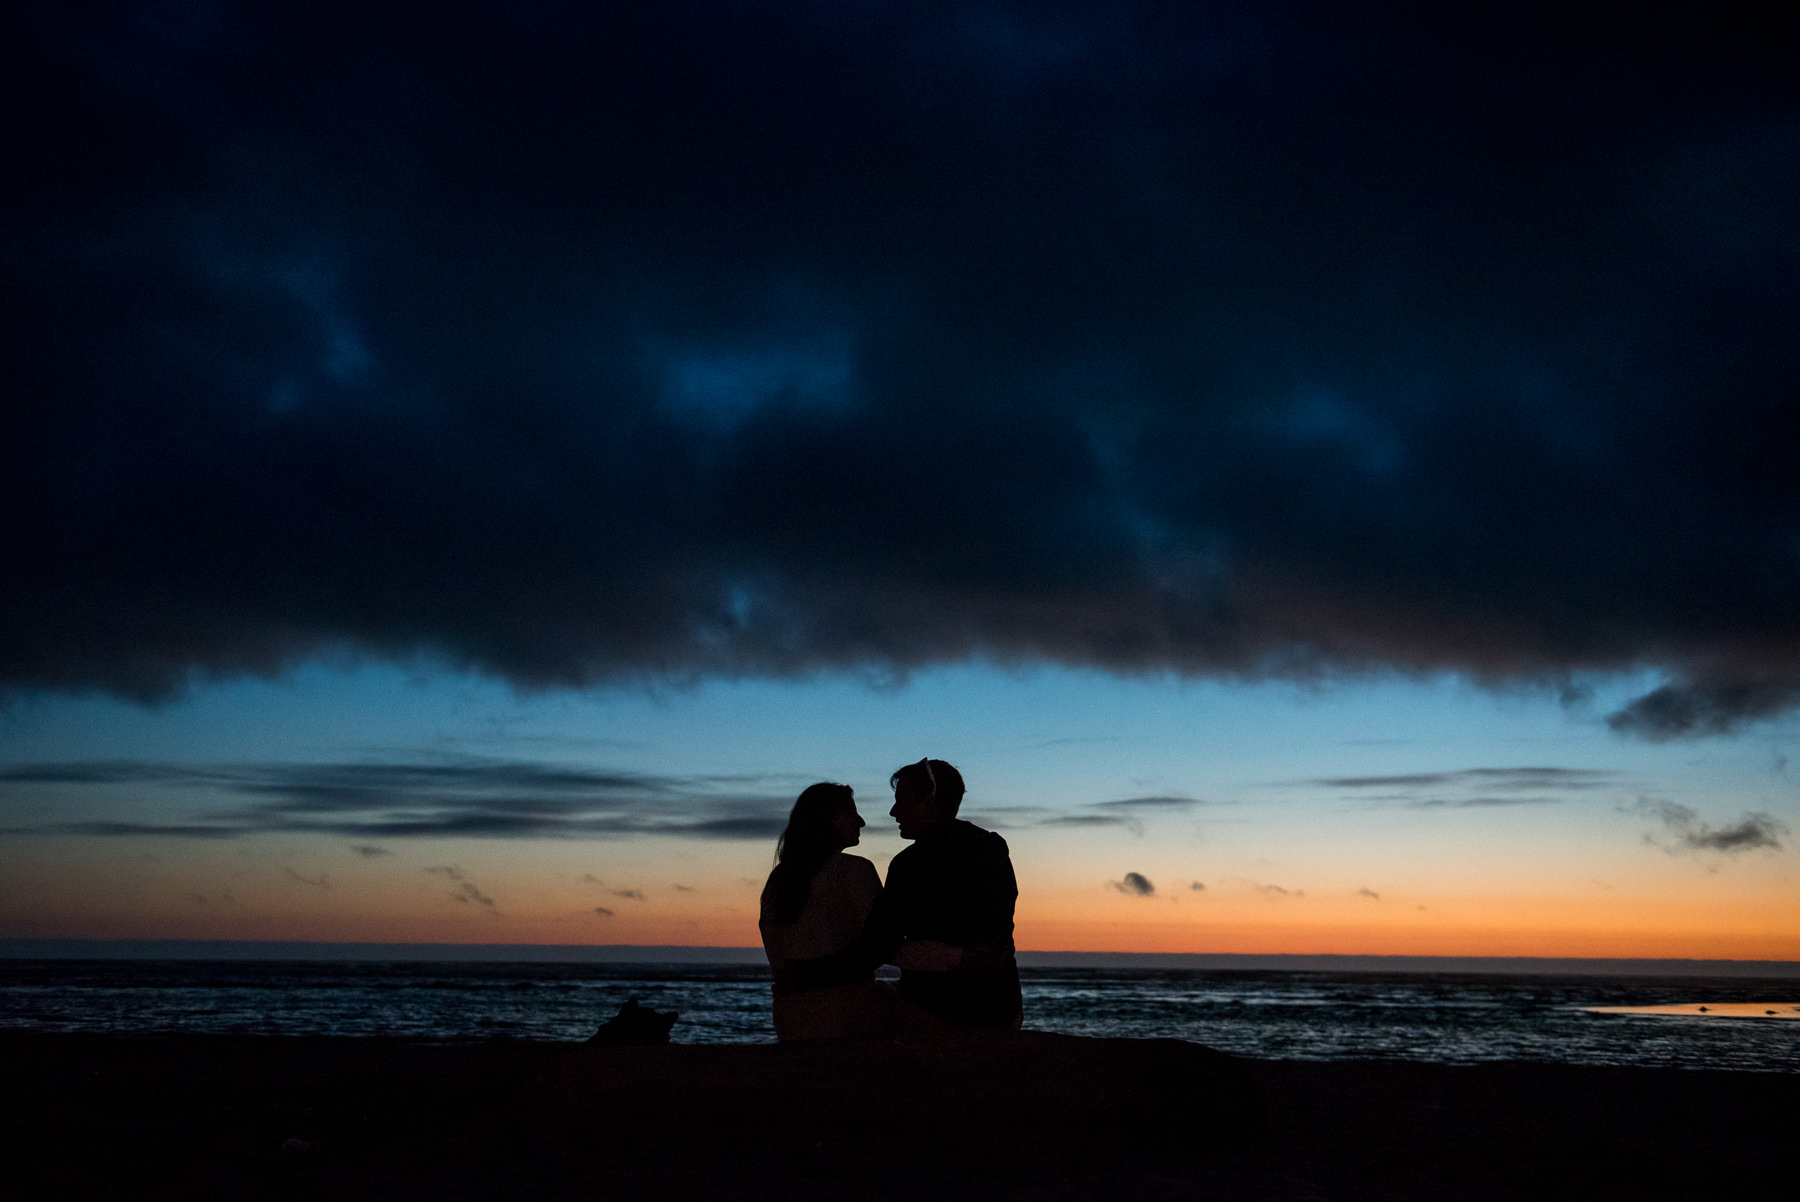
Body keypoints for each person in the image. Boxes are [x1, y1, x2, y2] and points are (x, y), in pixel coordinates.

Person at [788, 759, 1023, 1031]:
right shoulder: (992, 846)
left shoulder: (910, 864)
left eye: (901, 800)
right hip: (1003, 1008)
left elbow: (875, 947)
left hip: (938, 1011)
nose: (893, 811)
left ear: (928, 803)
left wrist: (804, 973)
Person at [758, 782, 895, 1041]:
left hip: (789, 1016)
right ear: (830, 820)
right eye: (851, 813)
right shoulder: (854, 870)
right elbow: (883, 942)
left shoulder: (778, 880)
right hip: (847, 1014)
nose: (862, 821)